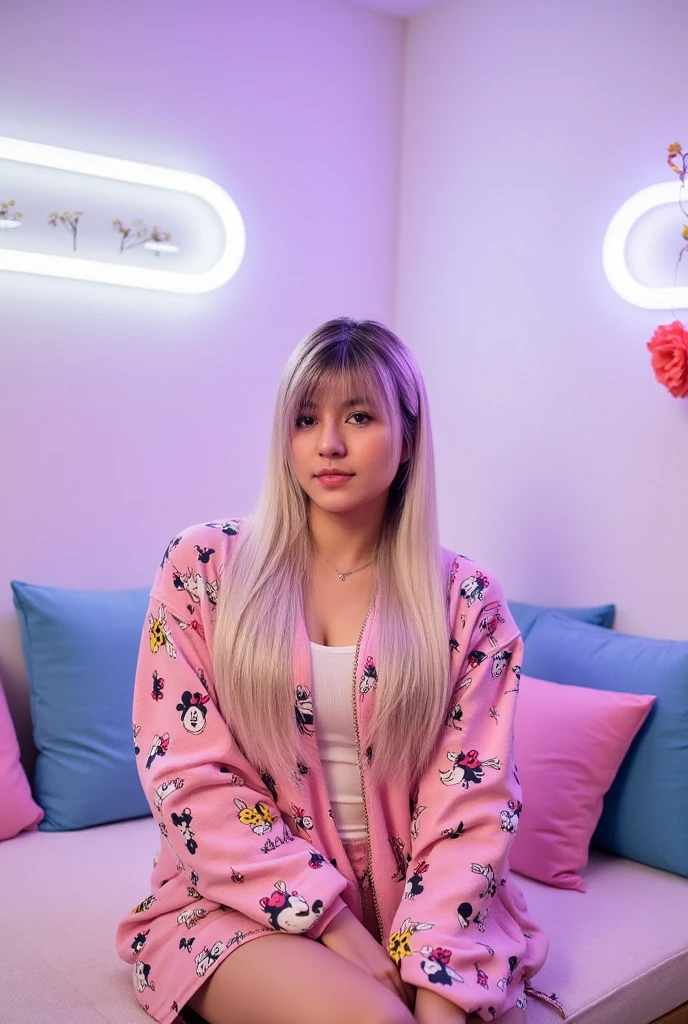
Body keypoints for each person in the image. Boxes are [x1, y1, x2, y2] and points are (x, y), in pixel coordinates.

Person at [115, 318, 566, 1024]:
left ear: (408, 435)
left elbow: (473, 803)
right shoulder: (203, 567)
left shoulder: (465, 600)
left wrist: (433, 964)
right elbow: (186, 775)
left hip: (424, 901)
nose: (328, 443)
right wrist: (335, 925)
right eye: (306, 419)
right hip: (238, 897)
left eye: (358, 416)